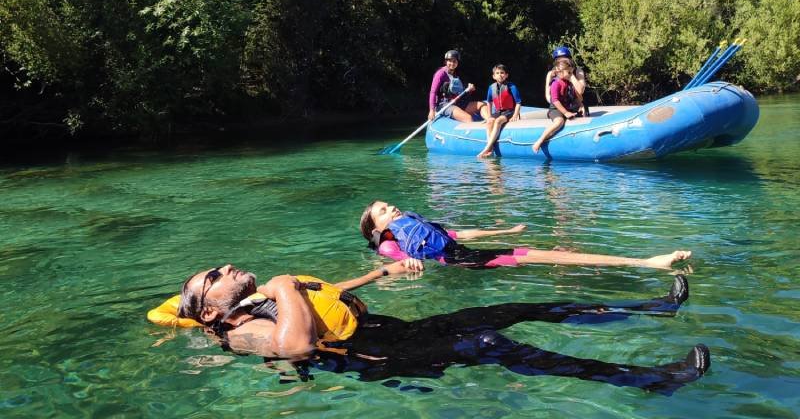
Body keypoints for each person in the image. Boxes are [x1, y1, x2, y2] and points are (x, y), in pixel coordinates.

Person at [174, 262, 710, 393]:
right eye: (215, 276)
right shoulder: (235, 334)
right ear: (209, 313)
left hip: (394, 329)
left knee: (506, 310)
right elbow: (294, 347)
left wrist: (380, 273)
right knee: (489, 343)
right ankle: (645, 381)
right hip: (379, 359)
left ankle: (649, 307)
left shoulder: (269, 296)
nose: (227, 270)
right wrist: (285, 287)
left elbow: (329, 296)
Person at [360, 200, 692, 270]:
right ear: (377, 227)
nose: (392, 209)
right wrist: (410, 264)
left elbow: (463, 234)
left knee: (544, 253)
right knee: (549, 256)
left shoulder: (416, 225)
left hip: (466, 254)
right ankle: (648, 263)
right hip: (461, 263)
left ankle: (644, 262)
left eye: (390, 205)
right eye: (384, 211)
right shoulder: (389, 242)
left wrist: (506, 229)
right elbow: (394, 257)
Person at [533, 58, 583, 153]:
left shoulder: (570, 82)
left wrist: (580, 105)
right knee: (559, 121)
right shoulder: (555, 83)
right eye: (558, 70)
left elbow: (579, 93)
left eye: (570, 72)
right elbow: (555, 101)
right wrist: (566, 112)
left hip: (568, 108)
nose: (559, 72)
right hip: (556, 109)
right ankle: (539, 141)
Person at [477, 63, 522, 158]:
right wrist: (489, 116)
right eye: (497, 73)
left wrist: (515, 115)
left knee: (498, 121)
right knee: (489, 122)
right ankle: (491, 149)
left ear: (506, 75)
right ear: (494, 76)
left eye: (502, 73)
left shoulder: (511, 87)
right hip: (498, 112)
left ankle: (487, 147)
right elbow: (489, 102)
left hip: (509, 111)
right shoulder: (491, 87)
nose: (500, 75)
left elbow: (518, 102)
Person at [428, 49, 485, 124]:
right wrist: (431, 110)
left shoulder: (457, 74)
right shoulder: (440, 74)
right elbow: (433, 92)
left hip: (457, 102)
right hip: (444, 104)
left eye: (454, 61)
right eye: (449, 61)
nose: (452, 63)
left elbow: (461, 92)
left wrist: (470, 89)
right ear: (445, 62)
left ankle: (490, 122)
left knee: (482, 105)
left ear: (457, 63)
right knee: (468, 118)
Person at [545, 45, 588, 113]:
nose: (562, 62)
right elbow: (548, 95)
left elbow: (580, 91)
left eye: (564, 59)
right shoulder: (551, 74)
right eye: (559, 60)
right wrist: (559, 105)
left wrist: (571, 77)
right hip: (559, 104)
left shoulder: (578, 71)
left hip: (576, 103)